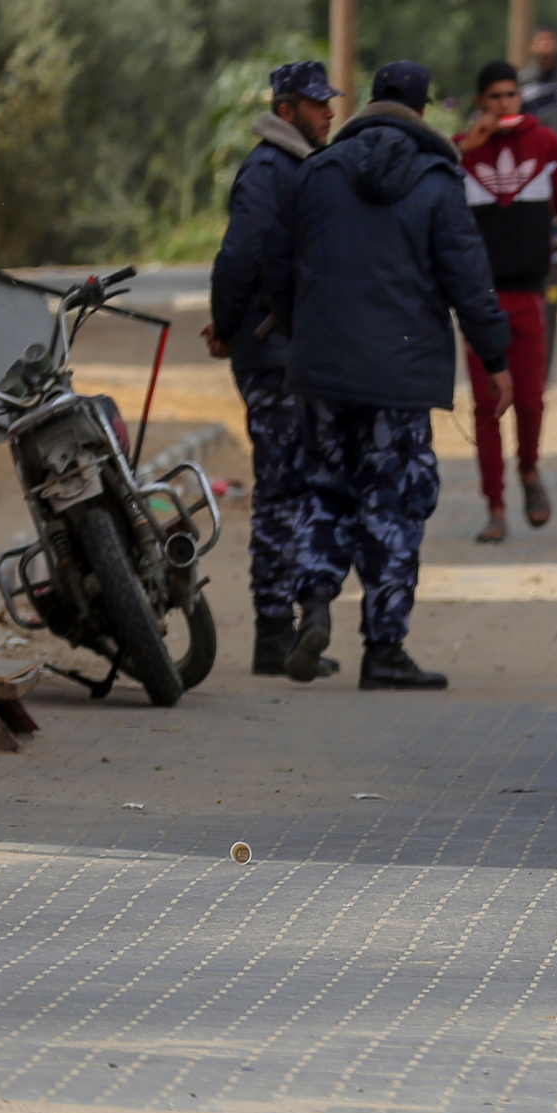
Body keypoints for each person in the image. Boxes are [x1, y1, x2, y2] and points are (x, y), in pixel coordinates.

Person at [264, 61, 513, 691]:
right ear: (424, 113)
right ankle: (384, 649)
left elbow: (278, 265)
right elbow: (468, 279)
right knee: (393, 503)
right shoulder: (436, 182)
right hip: (399, 380)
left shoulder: (317, 174)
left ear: (369, 103)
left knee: (321, 486)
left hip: (321, 372)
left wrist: (301, 337)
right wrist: (496, 359)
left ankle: (315, 599)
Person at [205, 61, 344, 680]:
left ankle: (285, 632)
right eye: (317, 105)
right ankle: (270, 634)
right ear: (286, 111)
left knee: (297, 487)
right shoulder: (270, 167)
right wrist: (229, 322)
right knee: (282, 492)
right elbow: (240, 252)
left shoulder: (301, 166)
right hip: (271, 355)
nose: (328, 113)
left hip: (295, 354)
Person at [455, 59, 557, 541]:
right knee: (486, 403)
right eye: (494, 98)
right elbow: (431, 203)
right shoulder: (462, 155)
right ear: (480, 103)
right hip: (478, 300)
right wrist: (462, 150)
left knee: (531, 399)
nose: (503, 105)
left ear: (521, 97)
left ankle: (530, 473)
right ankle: (494, 506)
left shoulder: (547, 147)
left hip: (529, 295)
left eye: (510, 96)